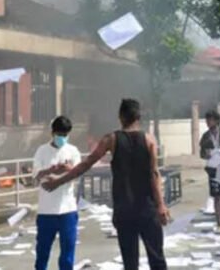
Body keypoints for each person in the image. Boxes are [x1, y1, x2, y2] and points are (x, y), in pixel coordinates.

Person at [43, 99, 169, 270]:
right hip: (147, 208)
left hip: (124, 210)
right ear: (138, 117)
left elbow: (85, 165)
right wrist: (161, 205)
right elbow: (154, 174)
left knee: (130, 262)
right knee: (157, 259)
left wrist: (58, 181)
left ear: (120, 117)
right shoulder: (149, 140)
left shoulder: (111, 139)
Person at [32, 116, 82, 270]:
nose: (62, 138)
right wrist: (50, 170)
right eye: (59, 134)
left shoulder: (73, 151)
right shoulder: (42, 151)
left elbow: (79, 173)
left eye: (65, 135)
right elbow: (36, 175)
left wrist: (68, 169)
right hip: (46, 210)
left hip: (67, 209)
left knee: (67, 253)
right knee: (42, 252)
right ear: (52, 133)